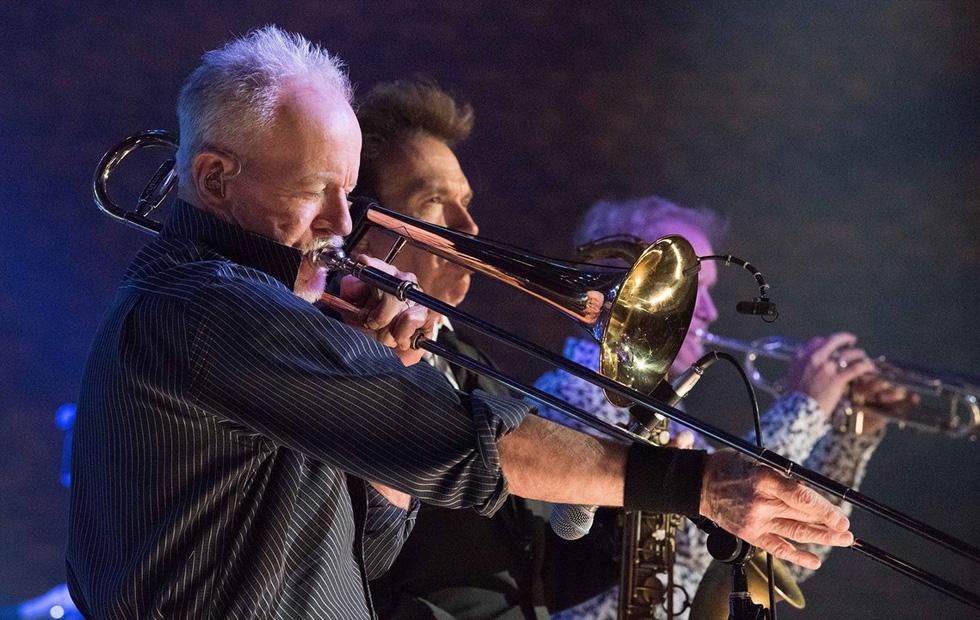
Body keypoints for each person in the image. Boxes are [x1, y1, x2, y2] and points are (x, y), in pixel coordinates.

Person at [66, 27, 853, 619]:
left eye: (350, 192)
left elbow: (371, 545)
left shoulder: (271, 321)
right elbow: (472, 448)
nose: (343, 222)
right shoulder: (209, 305)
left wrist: (391, 370)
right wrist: (699, 485)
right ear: (211, 178)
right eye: (320, 192)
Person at [535, 196, 907, 619]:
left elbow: (782, 546)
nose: (710, 312)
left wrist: (853, 432)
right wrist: (805, 407)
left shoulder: (654, 410)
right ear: (625, 288)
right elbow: (707, 539)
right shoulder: (573, 394)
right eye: (691, 288)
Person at [354, 80, 620, 619]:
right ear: (362, 226)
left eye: (466, 202)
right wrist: (665, 480)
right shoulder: (344, 356)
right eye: (434, 201)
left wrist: (637, 514)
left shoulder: (469, 356)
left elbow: (538, 577)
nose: (469, 229)